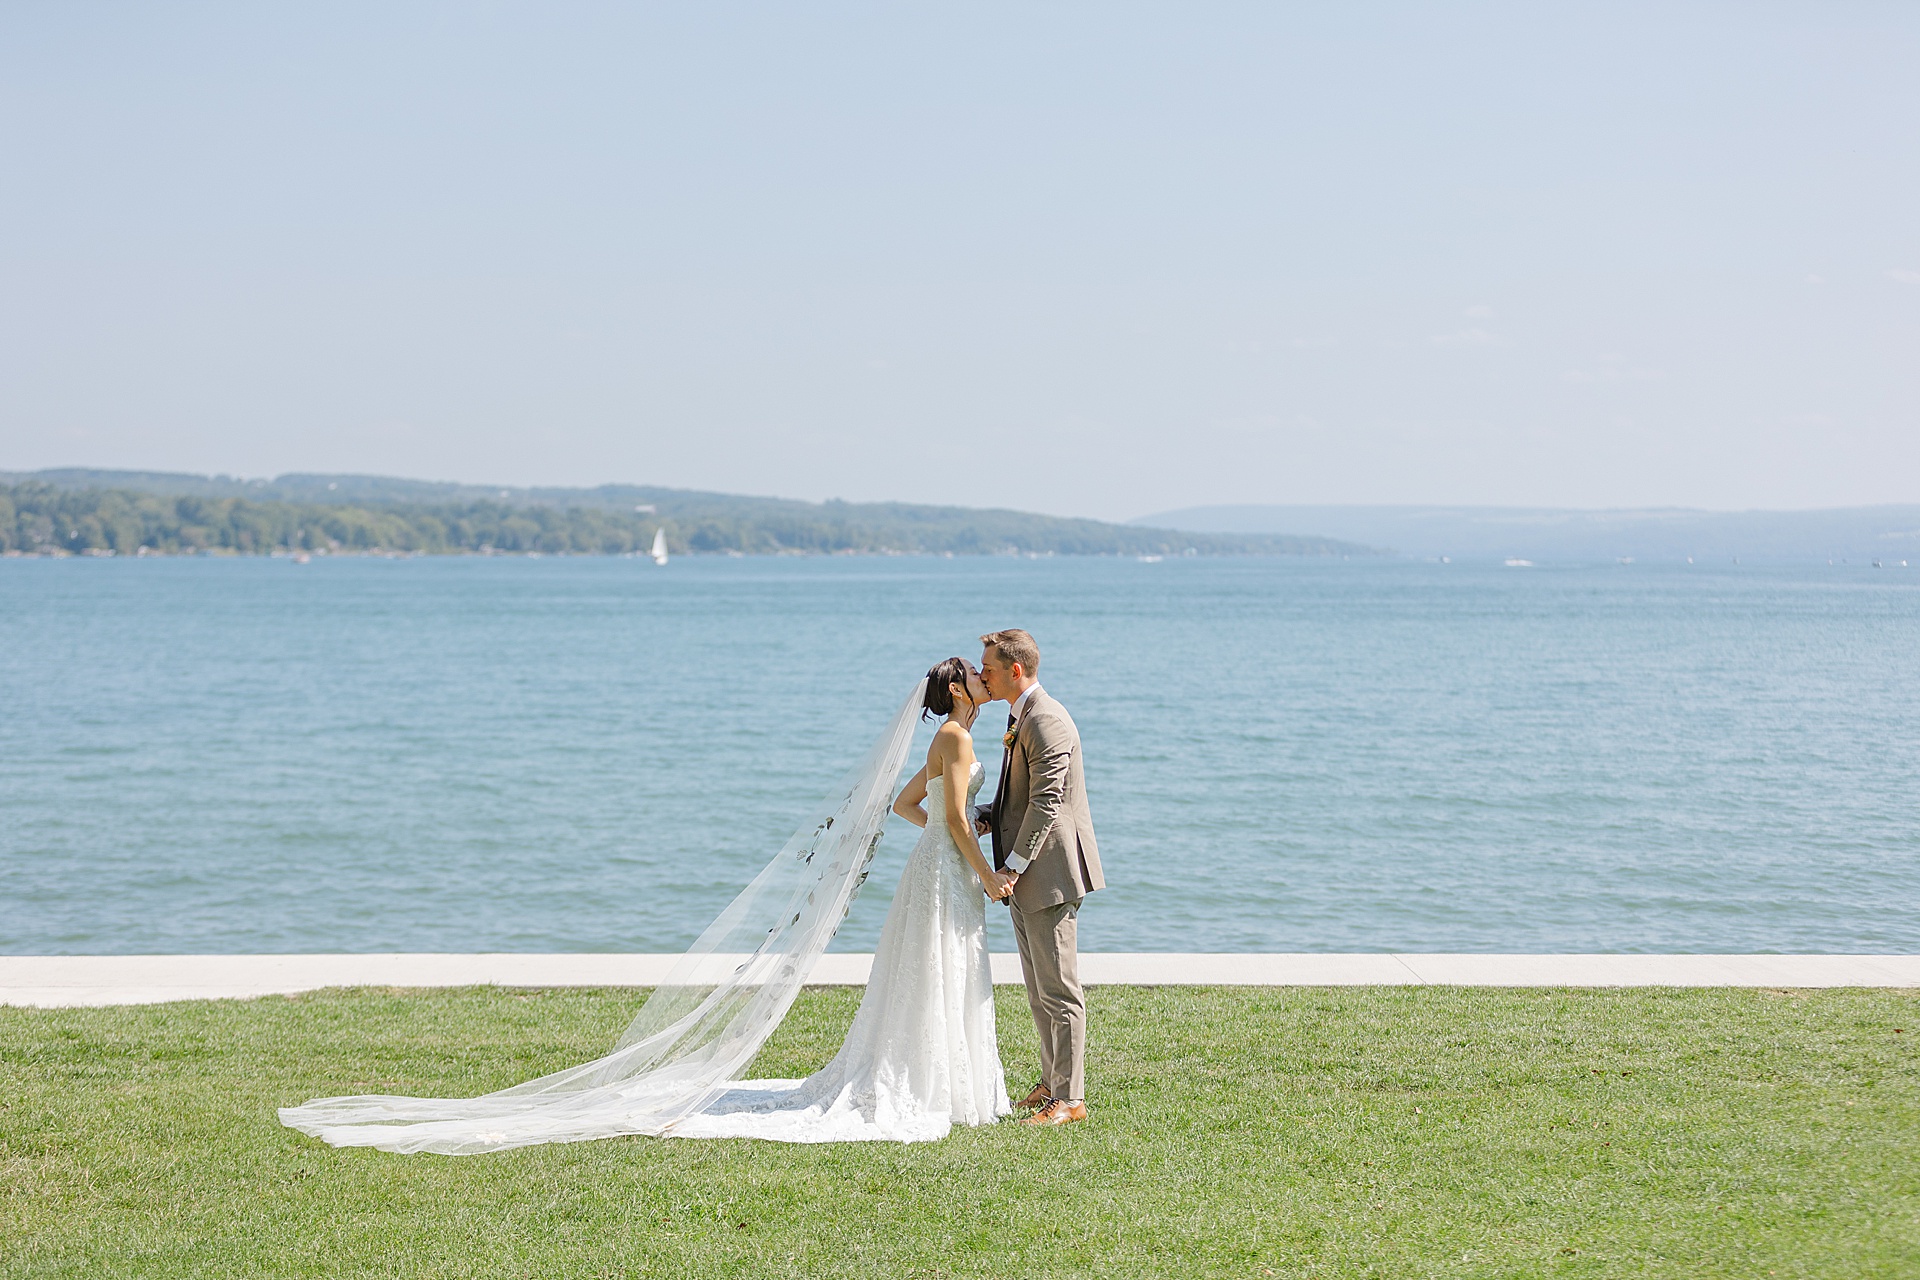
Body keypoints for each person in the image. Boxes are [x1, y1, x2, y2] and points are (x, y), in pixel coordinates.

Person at [973, 628, 1104, 1127]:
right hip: (1029, 878)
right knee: (1037, 988)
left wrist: (1010, 867)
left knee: (1060, 989)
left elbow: (1048, 803)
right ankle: (1051, 1083)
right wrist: (983, 816)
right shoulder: (1019, 714)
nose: (981, 675)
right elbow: (1018, 797)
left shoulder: (1046, 718)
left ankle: (1070, 1100)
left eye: (988, 668)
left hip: (1048, 873)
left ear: (1015, 671)